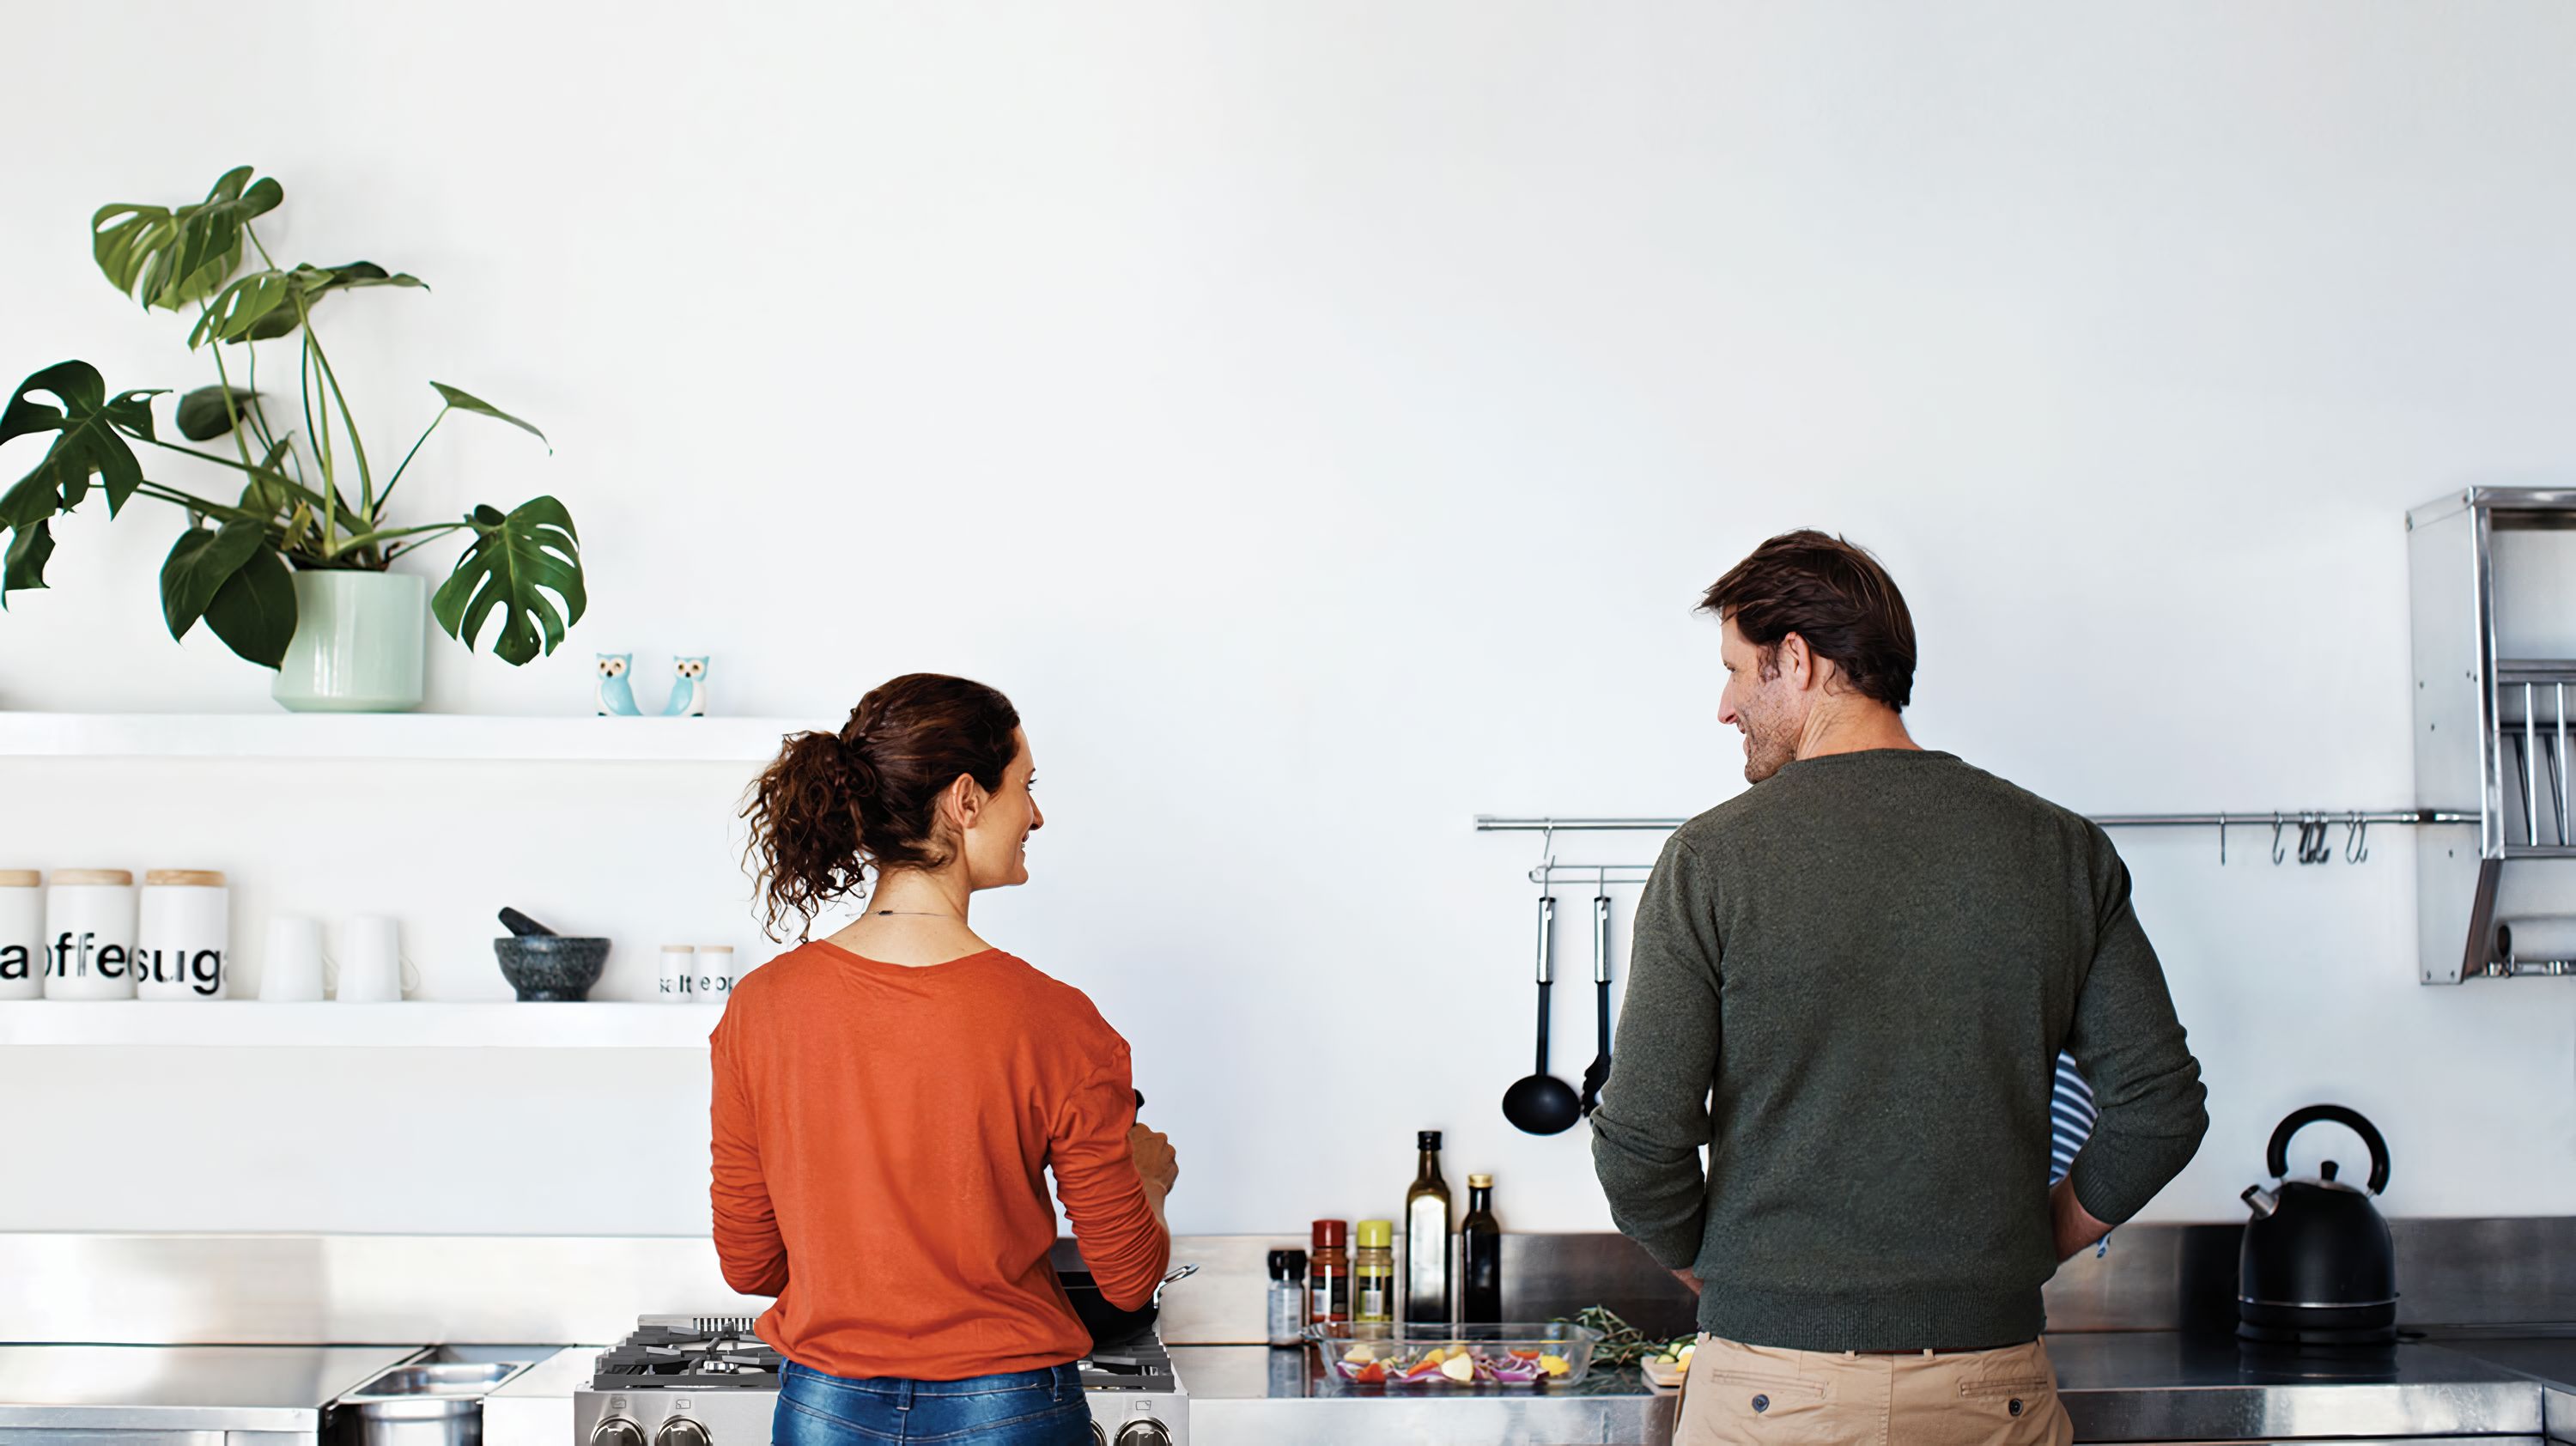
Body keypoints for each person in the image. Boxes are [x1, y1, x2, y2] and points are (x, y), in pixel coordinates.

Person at [1591, 531, 2207, 1446]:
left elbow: (1640, 1145)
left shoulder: (1712, 861)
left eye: (1734, 670)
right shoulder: (2058, 850)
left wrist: (1725, 1271)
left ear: (1795, 659)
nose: (1724, 706)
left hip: (1771, 1391)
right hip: (1990, 1386)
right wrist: (2033, 1246)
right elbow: (2160, 1111)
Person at [714, 673, 1179, 1446]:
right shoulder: (1056, 1021)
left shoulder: (761, 1009)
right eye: (1024, 787)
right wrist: (1152, 1182)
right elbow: (1128, 1281)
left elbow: (751, 1266)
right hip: (1010, 1409)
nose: (1036, 814)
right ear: (966, 800)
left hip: (825, 1409)